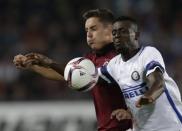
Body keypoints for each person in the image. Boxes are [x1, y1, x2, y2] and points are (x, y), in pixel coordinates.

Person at [13, 9, 132, 131]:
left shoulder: (123, 57)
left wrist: (131, 112)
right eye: (87, 30)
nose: (89, 34)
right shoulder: (91, 58)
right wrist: (32, 66)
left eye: (94, 29)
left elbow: (145, 87)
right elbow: (65, 75)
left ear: (110, 30)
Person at [98, 16, 182, 131]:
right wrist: (69, 71)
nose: (117, 35)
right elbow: (87, 77)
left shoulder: (148, 53)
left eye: (123, 31)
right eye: (114, 32)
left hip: (170, 126)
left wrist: (145, 100)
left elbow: (158, 85)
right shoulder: (114, 65)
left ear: (136, 35)